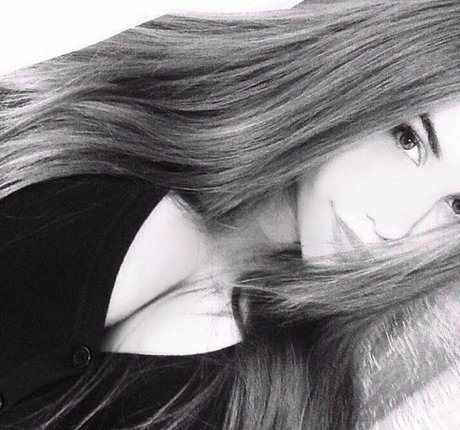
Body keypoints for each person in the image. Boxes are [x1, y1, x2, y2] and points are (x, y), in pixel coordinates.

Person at [0, 0, 459, 428]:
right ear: (358, 71)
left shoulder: (292, 402)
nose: (395, 228)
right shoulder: (107, 107)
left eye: (458, 207)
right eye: (408, 140)